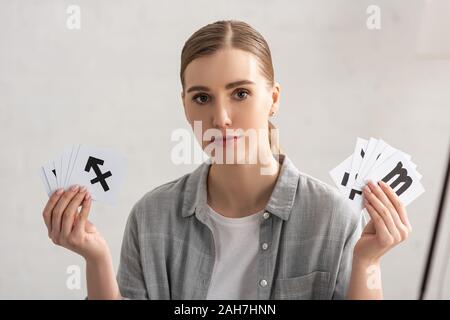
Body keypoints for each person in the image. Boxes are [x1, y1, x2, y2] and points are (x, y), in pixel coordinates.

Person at [41, 20, 412, 300]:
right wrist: (96, 260)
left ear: (274, 98)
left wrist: (368, 264)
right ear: (184, 104)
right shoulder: (151, 217)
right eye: (202, 97)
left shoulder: (333, 218)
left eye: (240, 93)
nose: (221, 118)